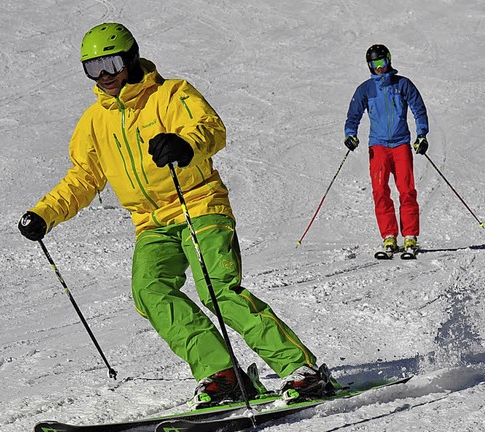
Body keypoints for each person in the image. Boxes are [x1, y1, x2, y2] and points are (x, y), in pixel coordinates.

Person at [18, 23, 333, 408]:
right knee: (149, 291)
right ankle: (223, 375)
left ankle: (303, 370)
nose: (105, 76)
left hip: (198, 205)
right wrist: (44, 214)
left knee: (217, 291)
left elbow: (210, 129)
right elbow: (84, 177)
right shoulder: (93, 122)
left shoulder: (171, 94)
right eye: (93, 68)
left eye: (112, 63)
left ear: (131, 58)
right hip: (151, 223)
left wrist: (185, 144)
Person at [344, 44, 429, 255]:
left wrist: (422, 135)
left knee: (406, 189)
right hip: (378, 145)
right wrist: (350, 134)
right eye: (374, 65)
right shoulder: (366, 89)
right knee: (380, 190)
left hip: (400, 144)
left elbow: (419, 109)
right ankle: (389, 236)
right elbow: (354, 114)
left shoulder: (403, 85)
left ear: (388, 61)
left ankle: (410, 236)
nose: (379, 68)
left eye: (381, 63)